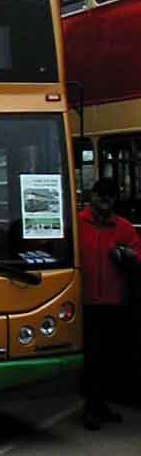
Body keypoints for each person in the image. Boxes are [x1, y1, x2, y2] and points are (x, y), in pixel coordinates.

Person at [78, 178, 141, 430]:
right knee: (93, 356)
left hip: (115, 302)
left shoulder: (123, 227)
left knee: (109, 357)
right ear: (92, 196)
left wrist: (130, 256)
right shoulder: (78, 223)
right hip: (86, 302)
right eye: (101, 195)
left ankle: (100, 405)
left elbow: (138, 256)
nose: (105, 201)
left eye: (110, 197)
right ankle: (92, 409)